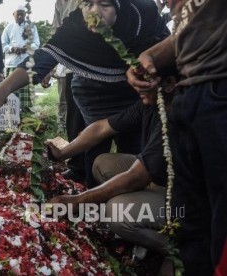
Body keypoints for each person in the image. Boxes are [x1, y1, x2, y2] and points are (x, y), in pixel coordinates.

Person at [0, 0, 170, 188]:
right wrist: (3, 88)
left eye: (105, 4)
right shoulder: (75, 24)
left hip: (133, 92)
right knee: (95, 153)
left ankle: (131, 205)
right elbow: (44, 58)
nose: (94, 13)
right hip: (92, 93)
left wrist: (148, 70)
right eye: (88, 3)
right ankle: (93, 208)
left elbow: (168, 47)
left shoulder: (143, 12)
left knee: (134, 151)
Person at [126, 0, 227, 274]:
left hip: (218, 94)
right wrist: (151, 56)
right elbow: (188, 31)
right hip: (192, 96)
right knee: (193, 226)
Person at [46, 86, 172, 265]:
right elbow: (102, 128)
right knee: (102, 163)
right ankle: (145, 220)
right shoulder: (150, 103)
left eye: (147, 78)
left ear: (170, 83)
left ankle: (182, 247)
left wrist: (75, 201)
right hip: (160, 178)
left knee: (117, 212)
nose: (135, 82)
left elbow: (135, 178)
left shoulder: (178, 115)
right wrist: (63, 153)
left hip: (189, 202)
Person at [42, 0, 86, 182]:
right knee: (74, 119)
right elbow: (56, 32)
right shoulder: (61, 2)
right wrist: (48, 67)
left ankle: (96, 167)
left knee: (93, 119)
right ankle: (78, 166)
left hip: (97, 65)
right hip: (70, 66)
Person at [1, 4, 40, 114]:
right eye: (18, 14)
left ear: (25, 15)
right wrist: (12, 49)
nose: (20, 17)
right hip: (11, 64)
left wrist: (26, 48)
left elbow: (36, 44)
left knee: (25, 95)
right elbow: (3, 45)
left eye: (22, 14)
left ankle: (25, 117)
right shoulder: (8, 27)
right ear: (13, 15)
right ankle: (11, 116)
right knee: (11, 92)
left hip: (26, 63)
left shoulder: (31, 27)